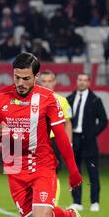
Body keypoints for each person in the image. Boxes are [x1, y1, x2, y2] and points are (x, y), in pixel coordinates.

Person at [0, 53, 91, 217]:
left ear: (36, 76)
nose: (20, 83)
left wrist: (73, 170)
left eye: (26, 78)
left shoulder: (47, 98)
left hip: (42, 165)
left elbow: (62, 137)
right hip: (14, 169)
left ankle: (70, 216)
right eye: (17, 78)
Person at [66, 73, 108, 212]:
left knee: (93, 172)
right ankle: (77, 201)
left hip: (89, 141)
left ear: (89, 83)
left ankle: (95, 202)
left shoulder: (95, 100)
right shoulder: (69, 99)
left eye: (85, 80)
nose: (82, 82)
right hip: (75, 139)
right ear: (76, 81)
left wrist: (92, 134)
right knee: (75, 172)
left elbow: (103, 121)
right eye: (80, 80)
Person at [40, 70, 72, 206]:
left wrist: (69, 143)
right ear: (39, 82)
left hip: (54, 141)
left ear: (54, 82)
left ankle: (53, 205)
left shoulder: (62, 101)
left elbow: (68, 123)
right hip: (37, 141)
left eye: (49, 81)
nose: (47, 84)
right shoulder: (33, 99)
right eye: (44, 81)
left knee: (53, 173)